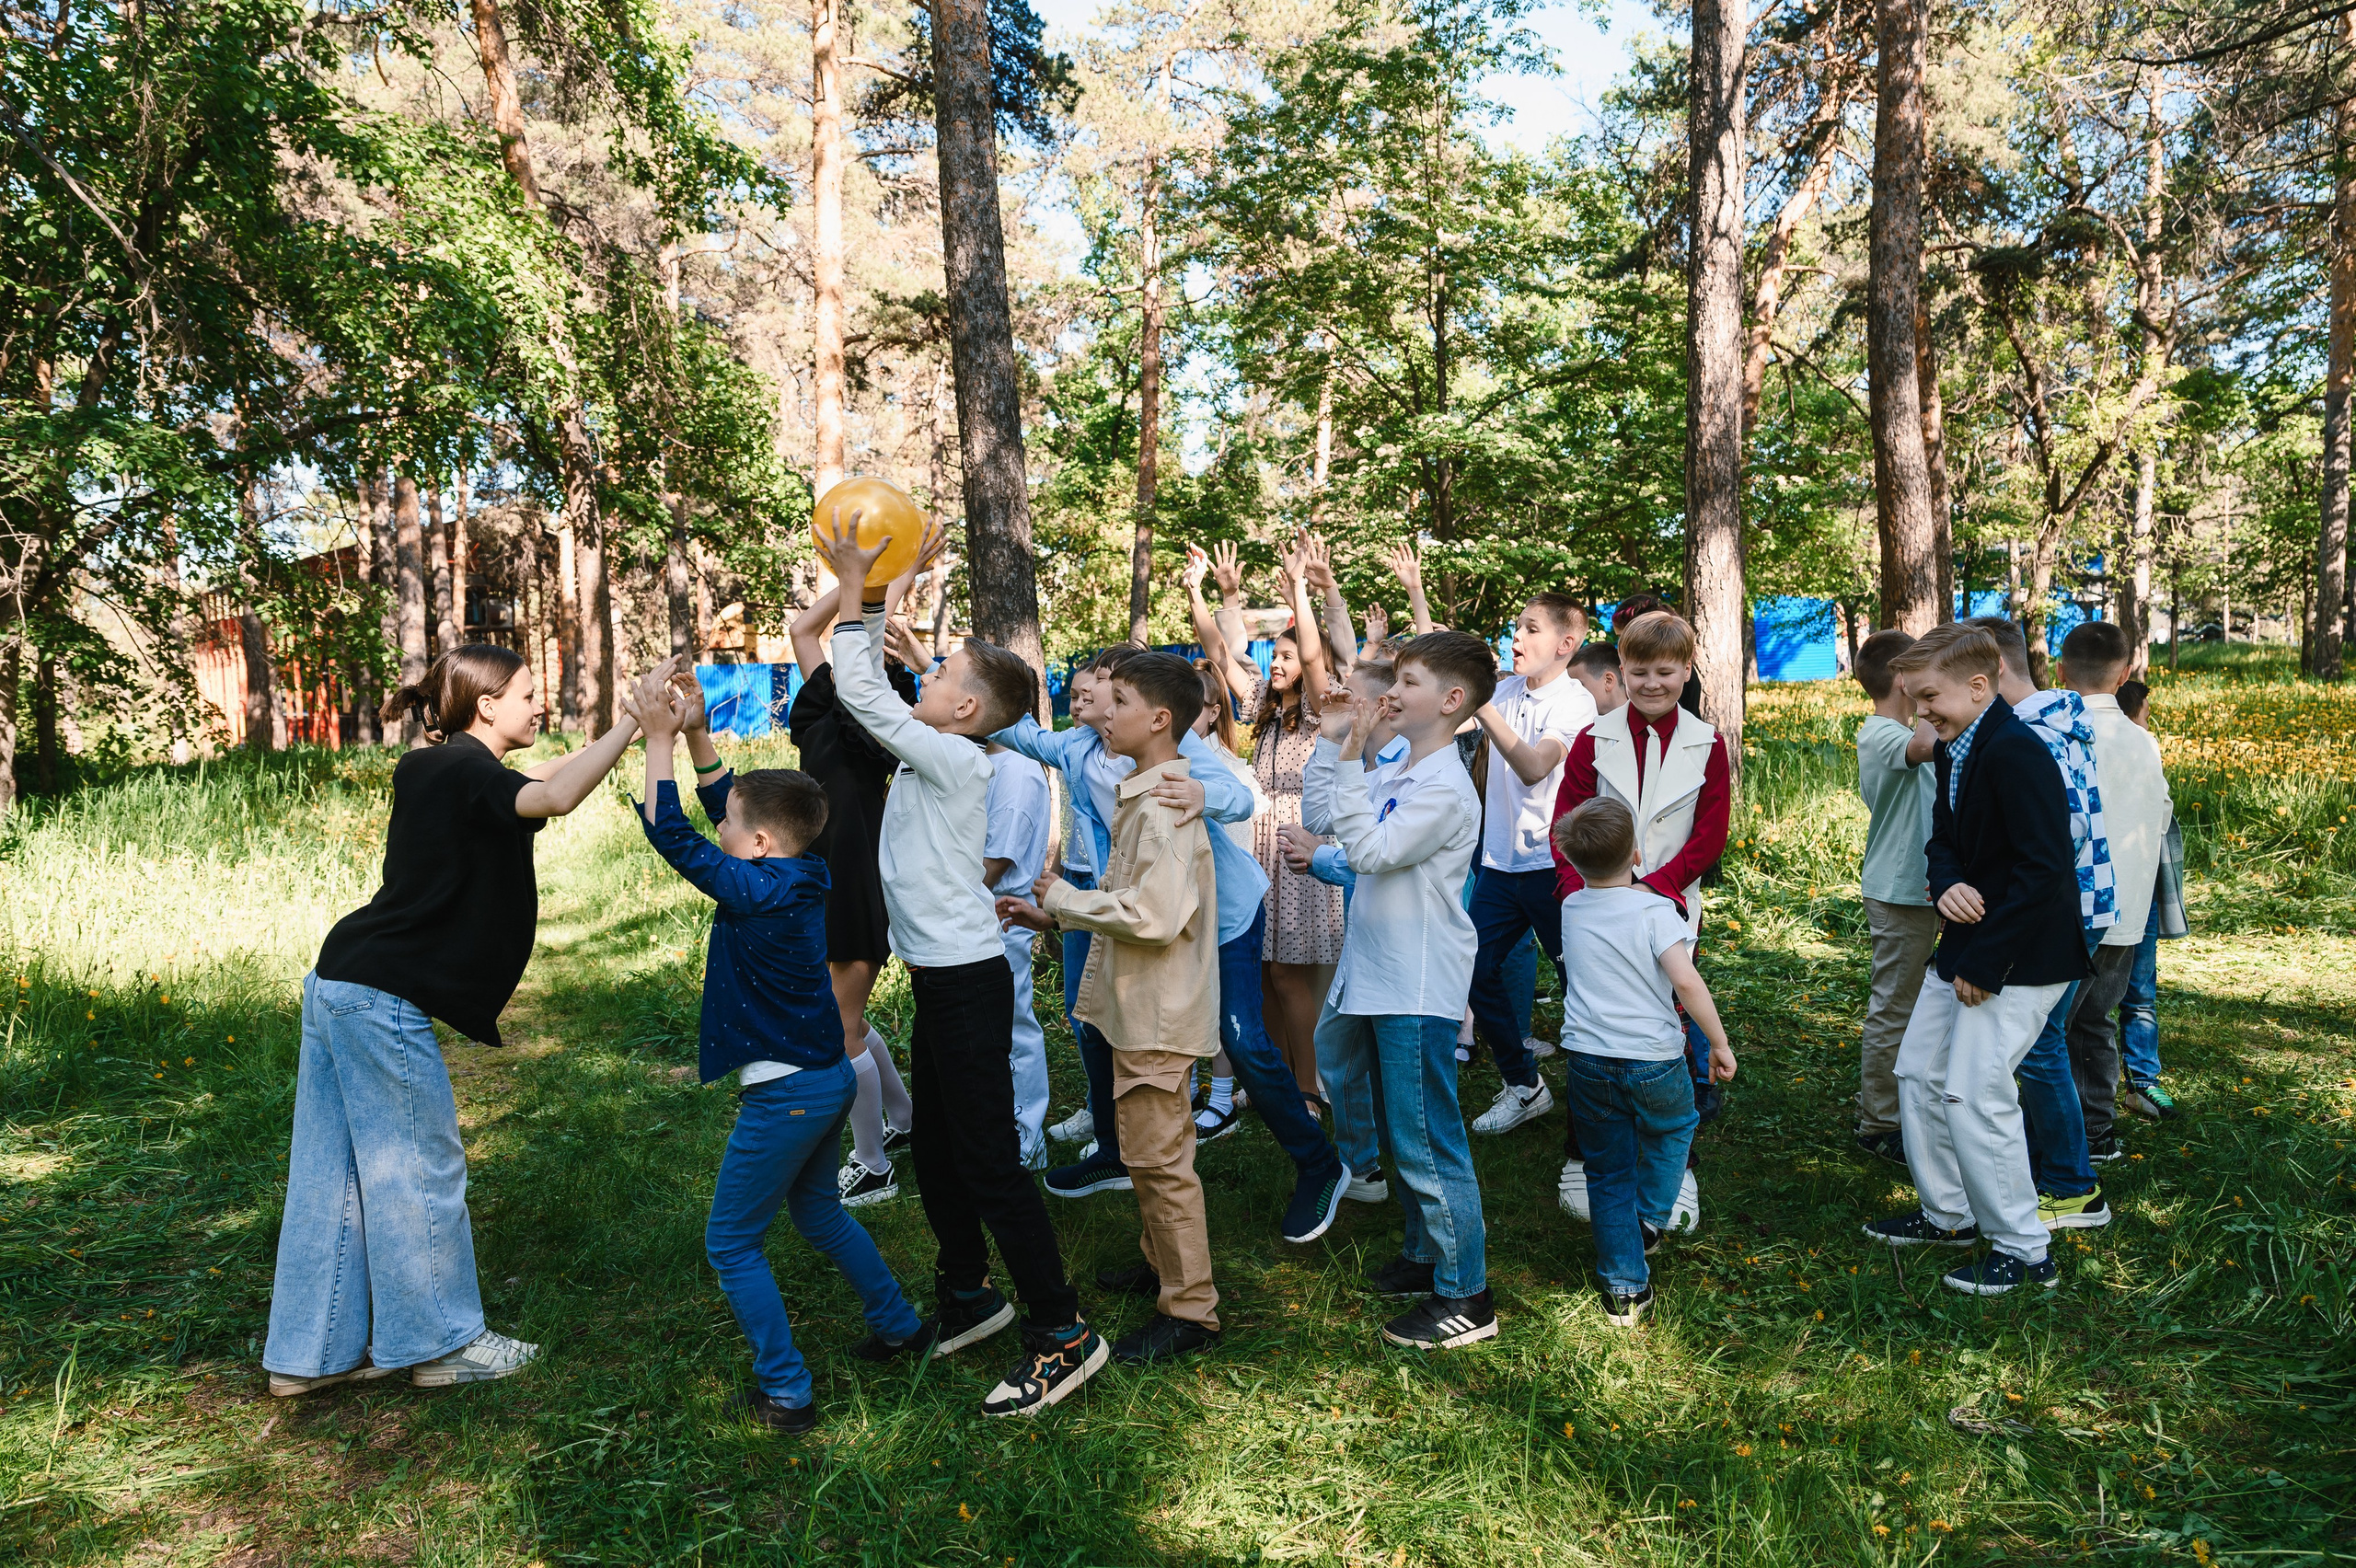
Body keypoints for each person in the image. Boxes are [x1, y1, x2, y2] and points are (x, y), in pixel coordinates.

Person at [264, 646, 647, 1397]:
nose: (542, 705)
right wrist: (631, 724)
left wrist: (619, 728)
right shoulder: (461, 768)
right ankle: (442, 1345)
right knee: (417, 1166)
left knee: (333, 1176)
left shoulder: (437, 765)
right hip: (378, 996)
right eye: (529, 694)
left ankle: (307, 1358)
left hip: (344, 980)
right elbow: (555, 796)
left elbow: (535, 782)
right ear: (486, 706)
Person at [815, 517, 1105, 1417]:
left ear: (968, 711)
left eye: (941, 677)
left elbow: (863, 694)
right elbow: (888, 692)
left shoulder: (944, 756)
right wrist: (901, 600)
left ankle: (1061, 1333)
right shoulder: (946, 746)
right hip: (943, 979)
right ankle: (970, 1294)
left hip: (968, 983)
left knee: (986, 1164)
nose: (928, 679)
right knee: (938, 1149)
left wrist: (863, 589)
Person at [624, 669, 930, 1435]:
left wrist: (656, 741)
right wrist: (697, 735)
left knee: (731, 1242)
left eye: (730, 826)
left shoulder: (753, 888)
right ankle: (899, 1325)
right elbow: (727, 812)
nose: (718, 825)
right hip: (825, 1076)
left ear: (757, 845)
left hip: (788, 1091)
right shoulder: (795, 871)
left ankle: (787, 1391)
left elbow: (673, 836)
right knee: (821, 1212)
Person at [996, 646, 1353, 1244]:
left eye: (1117, 699)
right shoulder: (1083, 749)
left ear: (1151, 712)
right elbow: (1018, 731)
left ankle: (1319, 1162)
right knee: (1098, 1024)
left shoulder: (1178, 756)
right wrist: (935, 675)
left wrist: (1200, 797)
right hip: (1137, 909)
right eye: (1102, 700)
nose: (1103, 711)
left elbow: (1243, 798)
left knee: (1239, 1037)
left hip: (1221, 917)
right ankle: (1117, 1150)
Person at [999, 651, 1227, 1364]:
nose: (1104, 711)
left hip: (1160, 1016)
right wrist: (1058, 921)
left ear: (1160, 720)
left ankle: (1191, 1309)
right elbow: (1131, 899)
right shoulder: (1142, 790)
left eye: (1120, 700)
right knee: (1143, 1149)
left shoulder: (1163, 806)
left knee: (1161, 1163)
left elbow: (1156, 915)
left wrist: (1063, 898)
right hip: (1141, 1007)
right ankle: (1161, 1267)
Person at [1863, 623, 2090, 1296]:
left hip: (2024, 956)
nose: (1921, 709)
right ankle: (1950, 1213)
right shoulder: (1955, 747)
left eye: (1929, 696)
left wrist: (1987, 964)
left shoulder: (2017, 752)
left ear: (1979, 685)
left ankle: (2025, 1250)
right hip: (1964, 943)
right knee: (1917, 1072)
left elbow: (2045, 868)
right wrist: (1947, 881)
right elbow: (1943, 840)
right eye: (1913, 696)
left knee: (1973, 1091)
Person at [1307, 631, 1496, 1351]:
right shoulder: (1403, 765)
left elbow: (1371, 852)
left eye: (1408, 682)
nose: (1392, 692)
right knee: (1396, 1118)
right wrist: (1334, 743)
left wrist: (1355, 752)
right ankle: (1424, 1255)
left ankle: (1466, 1294)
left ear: (1451, 702)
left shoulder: (1446, 786)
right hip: (1377, 970)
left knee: (1424, 1137)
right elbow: (1325, 819)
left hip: (1416, 982)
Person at [1548, 611, 1726, 1230]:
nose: (1653, 683)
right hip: (1592, 907)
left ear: (1687, 670)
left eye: (1666, 672)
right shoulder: (1593, 739)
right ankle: (1584, 1148)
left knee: (1670, 1023)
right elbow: (1565, 821)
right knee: (1589, 1023)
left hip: (1670, 908)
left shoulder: (1708, 742)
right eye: (1640, 670)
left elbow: (1708, 835)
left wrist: (1655, 891)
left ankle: (1675, 1160)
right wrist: (1577, 895)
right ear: (1621, 670)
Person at [1553, 798, 1737, 1327]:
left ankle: (1624, 1288)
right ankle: (1650, 1219)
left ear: (1572, 861)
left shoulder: (1571, 908)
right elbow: (1685, 980)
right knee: (1677, 1124)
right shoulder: (1657, 912)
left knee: (1606, 1171)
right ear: (1636, 853)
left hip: (1588, 1059)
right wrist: (1718, 1044)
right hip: (1653, 1058)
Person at [1961, 616, 2118, 1220]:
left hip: (2062, 912)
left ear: (1990, 673)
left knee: (2041, 1048)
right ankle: (2048, 1165)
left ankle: (2072, 1186)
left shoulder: (2035, 737)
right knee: (2043, 1044)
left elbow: (2060, 841)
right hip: (2084, 904)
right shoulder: (2060, 721)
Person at [778, 580, 918, 1207]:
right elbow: (804, 630)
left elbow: (851, 649)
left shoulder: (882, 726)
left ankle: (873, 1165)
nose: (846, 650)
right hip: (821, 880)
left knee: (840, 1028)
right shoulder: (823, 707)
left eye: (861, 651)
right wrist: (860, 577)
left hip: (856, 884)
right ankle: (907, 1121)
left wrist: (883, 587)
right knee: (848, 1017)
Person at [1191, 539, 1344, 1111]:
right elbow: (1218, 654)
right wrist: (1202, 592)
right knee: (1264, 972)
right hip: (1261, 846)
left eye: (1286, 656)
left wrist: (1302, 590)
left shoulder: (1322, 711)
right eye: (1272, 655)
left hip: (1302, 847)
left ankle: (1310, 1085)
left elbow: (1313, 656)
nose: (1277, 663)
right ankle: (1278, 1080)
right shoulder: (1265, 710)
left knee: (1289, 974)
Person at [1463, 593, 1596, 1136]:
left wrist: (1483, 707)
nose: (1515, 639)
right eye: (1515, 627)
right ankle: (1524, 1085)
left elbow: (1535, 768)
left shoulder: (1575, 703)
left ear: (1566, 645)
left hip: (1556, 867)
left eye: (1530, 629)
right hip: (1498, 864)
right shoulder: (1504, 688)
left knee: (1581, 989)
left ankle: (1594, 1111)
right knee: (1470, 969)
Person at [2054, 622, 2175, 1168]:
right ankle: (2097, 1131)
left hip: (2069, 912)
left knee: (2049, 1031)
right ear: (2125, 674)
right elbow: (2162, 816)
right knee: (2097, 1021)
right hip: (2126, 909)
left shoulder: (2053, 733)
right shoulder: (2144, 742)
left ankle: (2055, 1137)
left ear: (2059, 670)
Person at [1851, 629, 1939, 1166]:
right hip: (1899, 889)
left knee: (1919, 1004)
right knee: (1894, 1006)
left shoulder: (1901, 725)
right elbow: (1925, 747)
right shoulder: (1881, 731)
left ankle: (1910, 1105)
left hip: (1923, 887)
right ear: (1904, 679)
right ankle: (1878, 1120)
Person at [2113, 680, 2185, 1121]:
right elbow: (2160, 811)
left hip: (2145, 885)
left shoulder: (2143, 745)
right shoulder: (2139, 742)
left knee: (2139, 989)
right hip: (2119, 885)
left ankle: (2142, 1081)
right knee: (2128, 991)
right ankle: (2135, 1082)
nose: (2148, 723)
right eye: (2146, 713)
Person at [985, 734, 1056, 1170]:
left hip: (1005, 914)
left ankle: (1028, 1136)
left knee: (1014, 1024)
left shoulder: (1020, 769)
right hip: (979, 913)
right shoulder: (980, 759)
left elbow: (1000, 858)